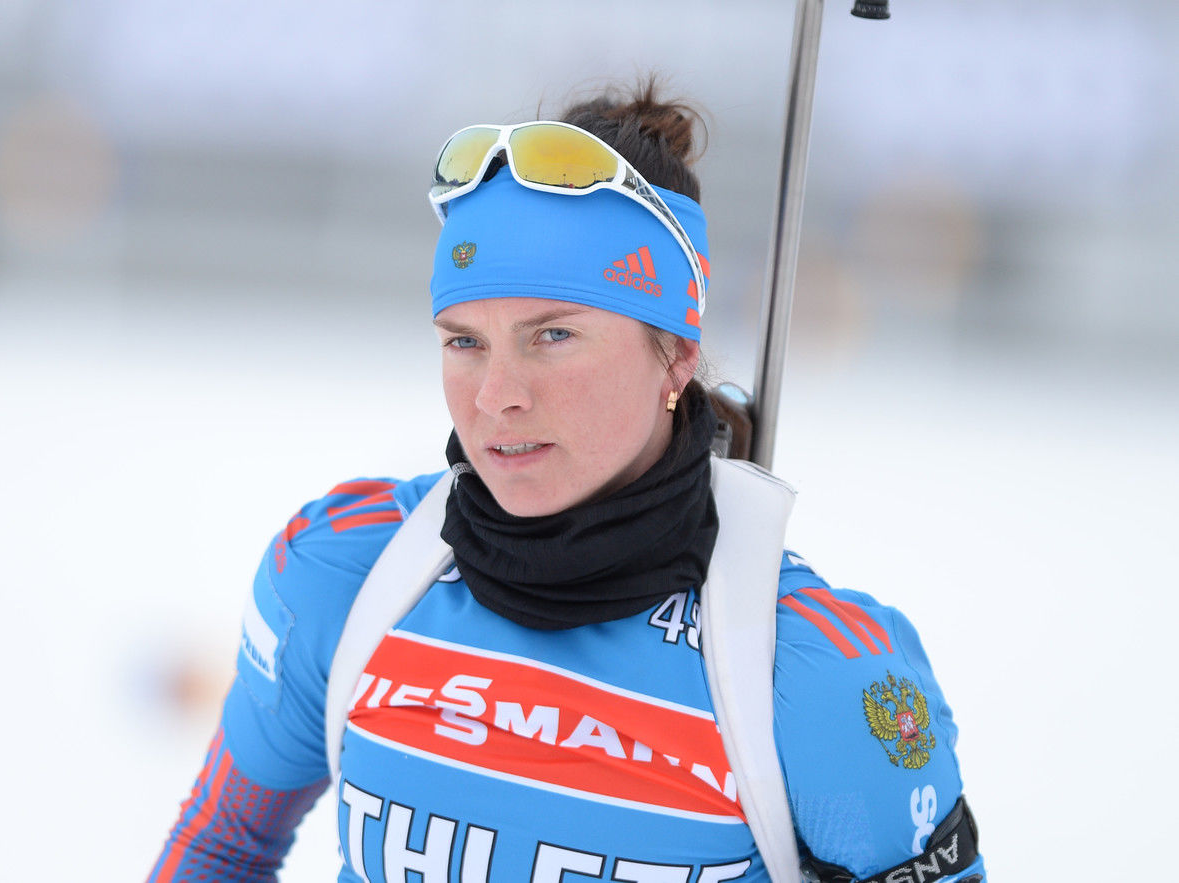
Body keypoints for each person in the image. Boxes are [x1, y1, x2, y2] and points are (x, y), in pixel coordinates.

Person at [145, 83, 985, 883]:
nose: (496, 395)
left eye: (552, 335)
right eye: (465, 340)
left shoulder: (819, 680)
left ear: (676, 356)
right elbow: (222, 847)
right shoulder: (346, 566)